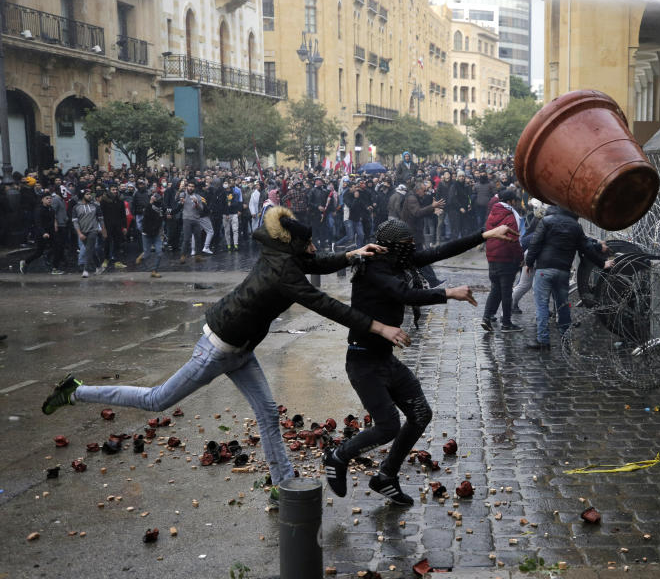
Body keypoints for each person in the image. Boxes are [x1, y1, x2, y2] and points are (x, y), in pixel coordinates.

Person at [41, 206, 411, 503]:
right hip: (216, 351)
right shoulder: (284, 271)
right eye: (309, 244)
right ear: (295, 245)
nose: (313, 249)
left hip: (242, 350)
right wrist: (380, 328)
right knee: (156, 401)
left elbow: (318, 263)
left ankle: (284, 487)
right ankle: (75, 391)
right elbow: (329, 305)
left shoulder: (285, 255)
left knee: (267, 413)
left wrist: (353, 254)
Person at [323, 219, 517, 505]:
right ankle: (338, 456)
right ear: (392, 247)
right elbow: (404, 294)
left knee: (420, 414)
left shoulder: (396, 259)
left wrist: (488, 234)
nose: (411, 250)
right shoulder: (374, 268)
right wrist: (448, 293)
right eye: (406, 246)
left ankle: (386, 476)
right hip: (363, 361)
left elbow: (440, 251)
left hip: (385, 359)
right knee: (387, 426)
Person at [523, 206, 612, 350]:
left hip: (544, 269)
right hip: (563, 271)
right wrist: (602, 263)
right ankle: (565, 337)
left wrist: (529, 262)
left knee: (542, 305)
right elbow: (586, 248)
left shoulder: (546, 221)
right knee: (563, 306)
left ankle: (543, 340)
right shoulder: (575, 226)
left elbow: (535, 243)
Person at [480, 189, 524, 333]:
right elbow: (514, 240)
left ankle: (486, 317)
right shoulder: (510, 216)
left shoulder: (492, 213)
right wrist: (520, 257)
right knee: (506, 292)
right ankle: (506, 323)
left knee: (495, 289)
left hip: (492, 257)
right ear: (510, 201)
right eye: (515, 201)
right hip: (506, 258)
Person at [512, 198, 546, 315]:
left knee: (526, 285)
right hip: (531, 261)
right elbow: (526, 249)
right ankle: (510, 306)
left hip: (530, 261)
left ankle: (510, 306)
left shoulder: (533, 231)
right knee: (527, 285)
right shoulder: (534, 235)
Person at [73, 189, 106, 278]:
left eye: (90, 194)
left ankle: (86, 270)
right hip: (82, 231)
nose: (90, 196)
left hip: (93, 230)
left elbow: (101, 220)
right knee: (91, 250)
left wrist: (103, 231)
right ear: (82, 196)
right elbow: (75, 222)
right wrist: (79, 233)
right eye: (87, 194)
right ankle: (99, 266)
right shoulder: (76, 207)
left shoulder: (95, 206)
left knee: (88, 249)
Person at [19, 193, 55, 274]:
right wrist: (43, 233)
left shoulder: (51, 209)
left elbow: (52, 220)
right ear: (42, 200)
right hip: (41, 234)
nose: (49, 200)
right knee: (39, 252)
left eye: (50, 198)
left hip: (50, 233)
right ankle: (25, 262)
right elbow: (38, 223)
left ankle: (52, 265)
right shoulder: (39, 210)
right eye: (47, 198)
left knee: (56, 247)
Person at [137, 190, 166, 277]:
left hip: (156, 234)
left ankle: (154, 271)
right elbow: (146, 214)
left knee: (159, 253)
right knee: (147, 254)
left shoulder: (161, 209)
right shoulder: (148, 207)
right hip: (147, 234)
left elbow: (168, 213)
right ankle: (141, 256)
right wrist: (150, 203)